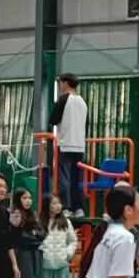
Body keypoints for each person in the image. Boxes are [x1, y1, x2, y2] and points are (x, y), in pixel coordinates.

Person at [50, 72, 88, 218]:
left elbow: (53, 119)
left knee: (63, 177)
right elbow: (86, 124)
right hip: (80, 145)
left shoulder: (64, 99)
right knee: (77, 178)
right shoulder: (82, 102)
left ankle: (65, 207)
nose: (60, 85)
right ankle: (79, 208)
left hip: (65, 144)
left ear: (65, 83)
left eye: (60, 82)